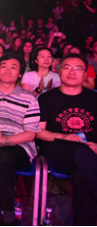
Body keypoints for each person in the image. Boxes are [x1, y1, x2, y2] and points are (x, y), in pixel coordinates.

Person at [0, 53, 41, 226]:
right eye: (4, 66)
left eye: (13, 67)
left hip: (19, 145)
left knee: (1, 157)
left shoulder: (29, 98)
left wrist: (5, 139)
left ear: (20, 74)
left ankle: (2, 217)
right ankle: (1, 217)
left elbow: (30, 134)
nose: (7, 70)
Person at [37, 54, 97, 225]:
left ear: (86, 74)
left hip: (92, 155)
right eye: (67, 67)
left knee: (83, 177)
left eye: (78, 68)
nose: (72, 72)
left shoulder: (94, 99)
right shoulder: (47, 98)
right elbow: (39, 132)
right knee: (83, 152)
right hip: (60, 151)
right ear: (58, 71)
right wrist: (62, 135)